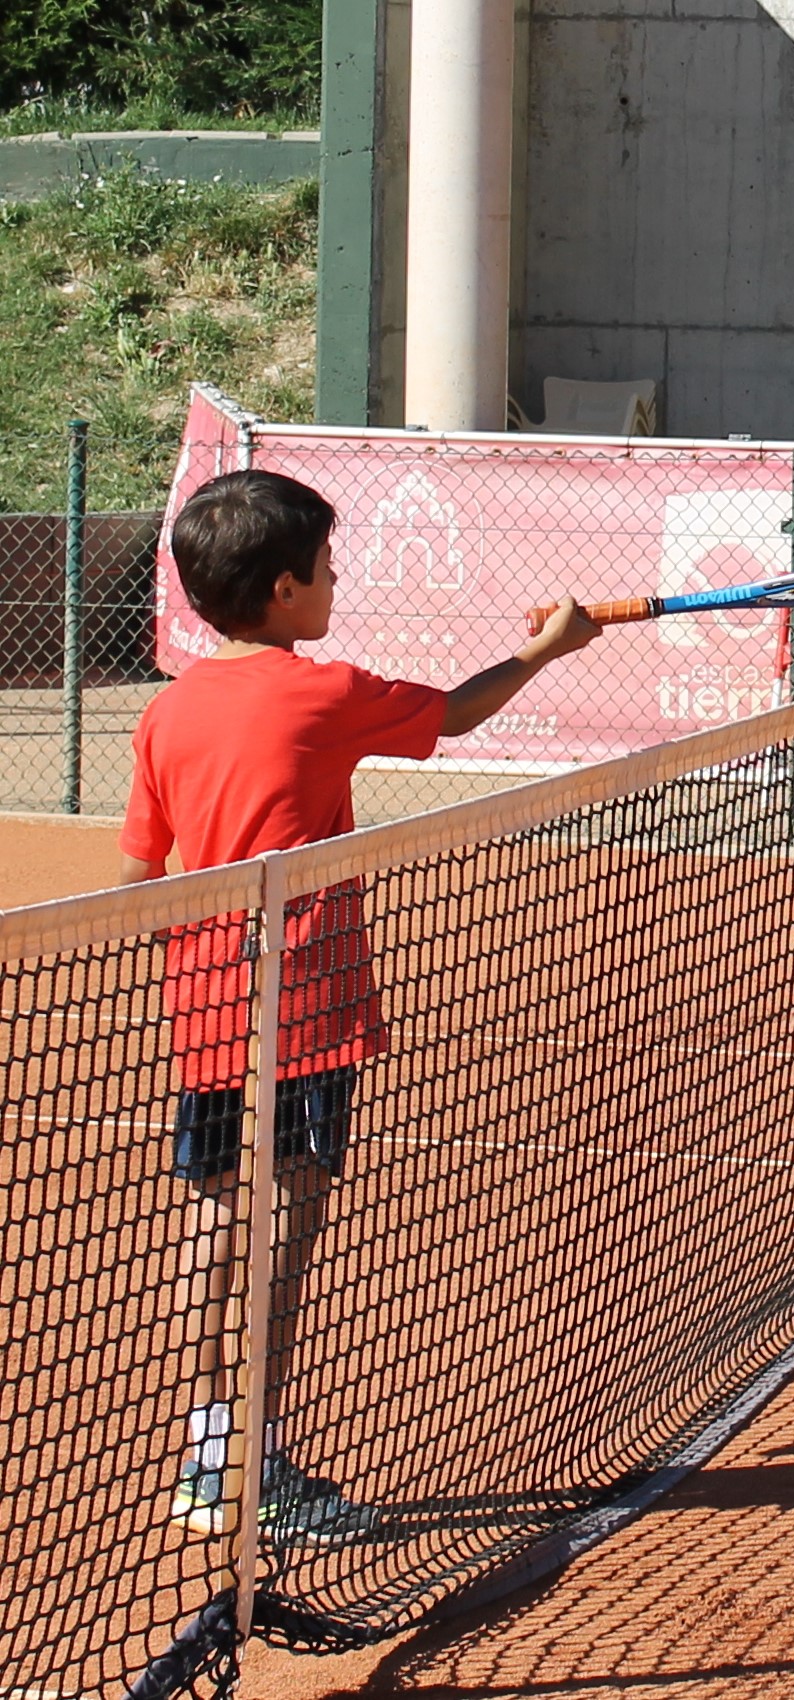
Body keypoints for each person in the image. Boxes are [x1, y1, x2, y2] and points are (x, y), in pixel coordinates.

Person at [119, 469, 600, 1541]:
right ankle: (258, 1460)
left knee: (214, 1221)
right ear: (286, 589)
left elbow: (141, 871)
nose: (338, 583)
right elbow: (457, 714)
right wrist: (546, 649)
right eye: (328, 570)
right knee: (288, 1222)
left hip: (203, 1007)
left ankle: (210, 1447)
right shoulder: (323, 689)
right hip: (306, 1008)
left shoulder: (165, 707)